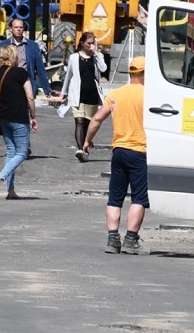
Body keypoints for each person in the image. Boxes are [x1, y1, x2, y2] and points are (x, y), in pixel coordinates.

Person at [82, 56, 147, 255]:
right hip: (140, 152)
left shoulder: (115, 94)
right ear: (145, 73)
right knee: (139, 198)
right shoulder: (150, 95)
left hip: (119, 152)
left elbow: (96, 119)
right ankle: (130, 240)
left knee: (115, 197)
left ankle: (112, 239)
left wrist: (86, 141)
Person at [0, 44, 37, 200]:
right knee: (22, 153)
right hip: (19, 117)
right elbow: (30, 97)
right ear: (14, 57)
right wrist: (33, 116)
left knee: (11, 151)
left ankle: (11, 191)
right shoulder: (21, 73)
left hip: (3, 118)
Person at [61, 31, 106, 163]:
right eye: (89, 43)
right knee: (79, 122)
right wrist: (63, 92)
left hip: (92, 95)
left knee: (87, 124)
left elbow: (103, 69)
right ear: (82, 43)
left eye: (93, 43)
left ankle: (86, 146)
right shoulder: (74, 58)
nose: (91, 45)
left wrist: (96, 53)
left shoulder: (98, 56)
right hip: (77, 95)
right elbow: (68, 76)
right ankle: (81, 150)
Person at [0, 18, 52, 98]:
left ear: (23, 29)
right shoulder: (2, 45)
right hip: (7, 83)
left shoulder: (33, 46)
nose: (18, 29)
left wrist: (46, 88)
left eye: (20, 27)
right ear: (11, 29)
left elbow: (40, 68)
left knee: (24, 108)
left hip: (26, 83)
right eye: (16, 27)